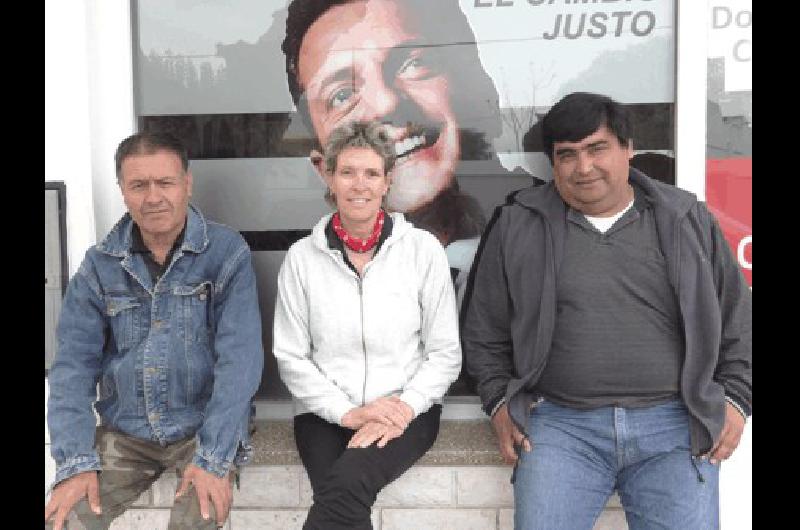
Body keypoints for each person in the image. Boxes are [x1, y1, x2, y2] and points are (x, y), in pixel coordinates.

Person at [462, 92, 752, 529]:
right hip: (560, 427)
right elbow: (484, 329)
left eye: (597, 149)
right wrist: (500, 402)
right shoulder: (519, 223)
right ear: (552, 163)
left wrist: (735, 398)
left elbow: (738, 319)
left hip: (674, 424)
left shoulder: (684, 218)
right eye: (567, 155)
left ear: (627, 148)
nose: (584, 168)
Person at [45, 132, 264, 530]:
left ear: (187, 183)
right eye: (139, 185)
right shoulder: (99, 266)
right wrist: (74, 462)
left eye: (165, 182)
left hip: (203, 427)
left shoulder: (225, 253)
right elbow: (72, 369)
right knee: (62, 521)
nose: (153, 197)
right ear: (123, 191)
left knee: (196, 520)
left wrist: (215, 458)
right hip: (126, 430)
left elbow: (241, 361)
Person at [281, 0, 543, 301]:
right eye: (342, 96)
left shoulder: (555, 237)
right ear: (325, 170)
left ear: (483, 92)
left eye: (413, 64)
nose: (386, 103)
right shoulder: (315, 274)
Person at [273, 120, 462, 529]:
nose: (359, 185)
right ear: (330, 177)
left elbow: (445, 353)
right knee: (342, 499)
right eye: (348, 172)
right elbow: (291, 357)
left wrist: (401, 407)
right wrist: (348, 413)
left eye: (371, 173)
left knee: (343, 490)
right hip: (323, 414)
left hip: (405, 411)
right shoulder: (302, 258)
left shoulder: (422, 251)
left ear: (387, 181)